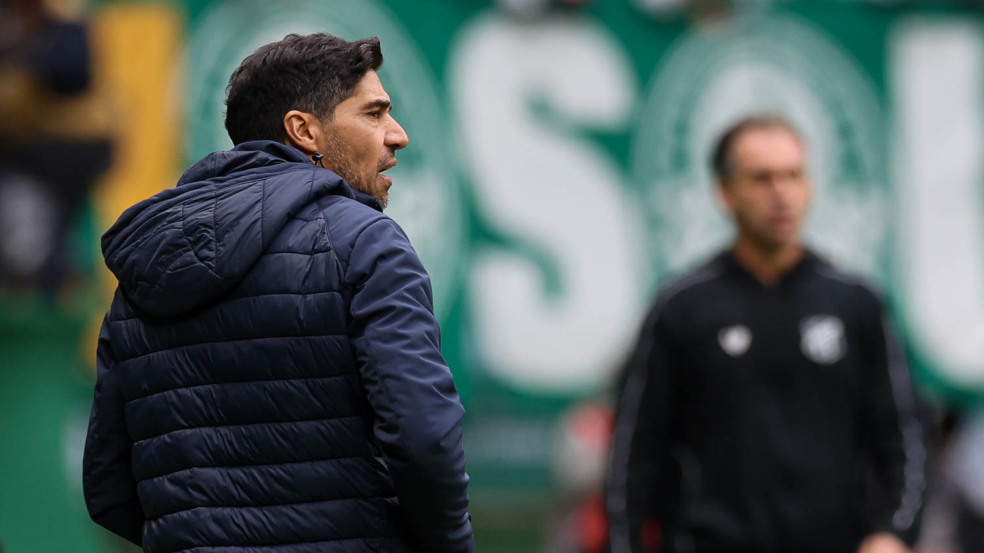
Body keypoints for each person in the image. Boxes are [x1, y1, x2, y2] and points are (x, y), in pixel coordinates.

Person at [82, 33, 473, 553]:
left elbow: (108, 485)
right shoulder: (366, 242)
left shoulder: (147, 263)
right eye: (374, 114)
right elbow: (425, 440)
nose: (397, 135)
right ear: (304, 130)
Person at [607, 115, 925, 553]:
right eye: (762, 178)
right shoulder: (681, 309)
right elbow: (634, 458)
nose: (781, 193)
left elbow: (904, 435)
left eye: (793, 175)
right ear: (724, 192)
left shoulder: (858, 303)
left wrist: (893, 532)